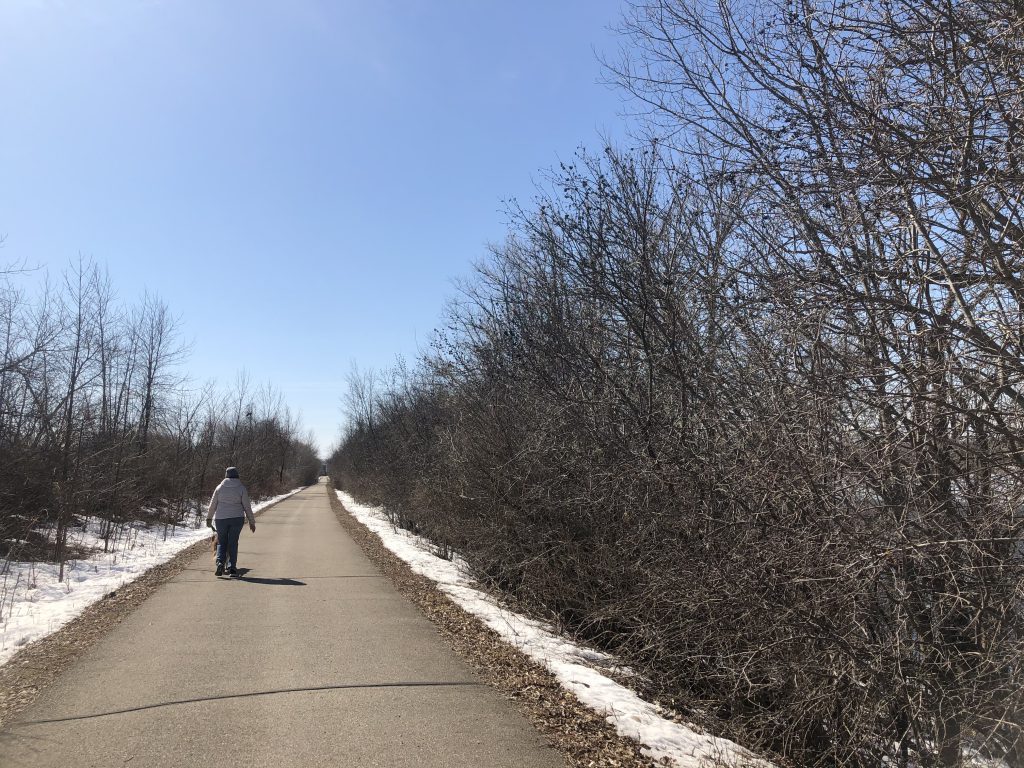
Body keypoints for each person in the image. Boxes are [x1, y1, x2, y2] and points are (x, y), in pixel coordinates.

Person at [206, 466, 256, 576]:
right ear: (237, 475)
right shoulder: (241, 488)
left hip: (221, 519)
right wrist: (252, 522)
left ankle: (220, 563)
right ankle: (232, 567)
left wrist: (209, 518)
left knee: (221, 542)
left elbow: (212, 505)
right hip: (237, 519)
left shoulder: (219, 487)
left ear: (226, 475)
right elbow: (247, 506)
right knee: (233, 543)